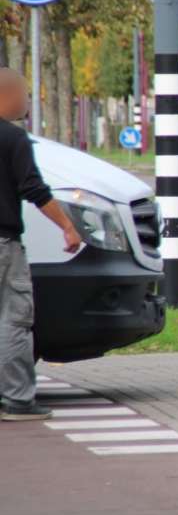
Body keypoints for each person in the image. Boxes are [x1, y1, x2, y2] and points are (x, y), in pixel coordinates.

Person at [0, 68, 82, 421]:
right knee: (13, 320)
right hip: (3, 245)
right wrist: (68, 227)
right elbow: (35, 190)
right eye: (25, 95)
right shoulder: (13, 139)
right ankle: (18, 400)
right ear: (8, 96)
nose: (28, 102)